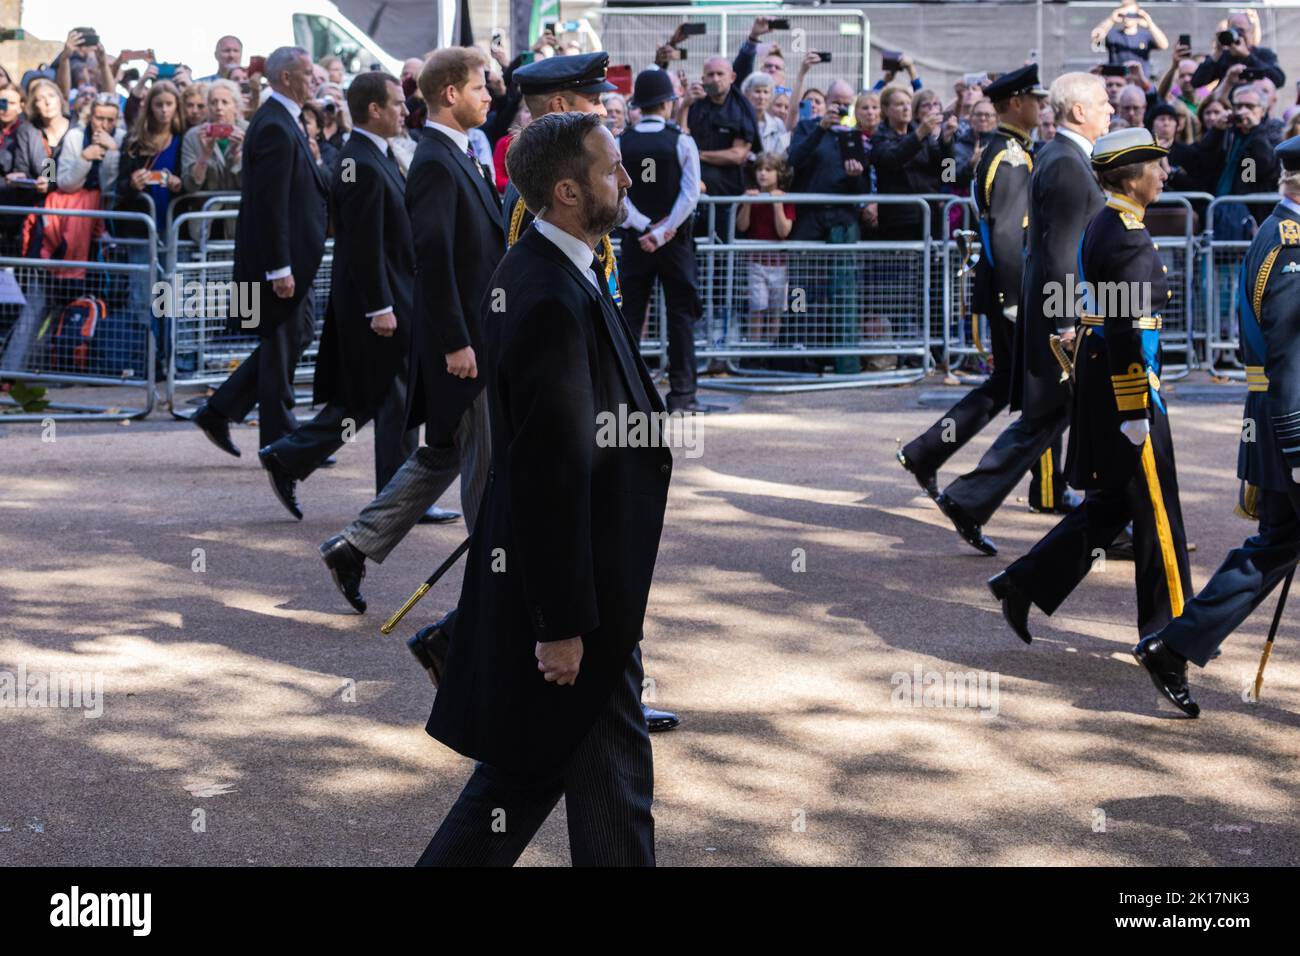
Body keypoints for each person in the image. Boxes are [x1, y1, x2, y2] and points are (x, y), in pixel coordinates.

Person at [417, 111, 670, 867]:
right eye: (610, 169)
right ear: (566, 191)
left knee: (542, 774)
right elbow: (548, 471)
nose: (626, 180)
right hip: (578, 594)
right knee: (595, 780)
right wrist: (562, 623)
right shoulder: (548, 291)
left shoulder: (566, 268)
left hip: (589, 585)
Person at [989, 127, 1191, 647]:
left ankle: (1025, 581)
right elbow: (1127, 328)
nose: (1164, 173)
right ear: (1132, 174)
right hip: (1128, 388)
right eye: (1156, 165)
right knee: (1157, 514)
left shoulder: (1113, 222)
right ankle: (1168, 636)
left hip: (1108, 382)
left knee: (1113, 506)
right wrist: (1135, 410)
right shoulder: (1125, 231)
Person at [318, 46, 501, 592]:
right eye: (480, 86)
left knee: (441, 455)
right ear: (450, 94)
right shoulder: (436, 161)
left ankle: (355, 546)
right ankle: (489, 600)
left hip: (471, 338)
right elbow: (435, 259)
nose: (489, 95)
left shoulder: (454, 153)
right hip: (463, 346)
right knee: (486, 475)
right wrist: (455, 343)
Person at [1131, 136, 1300, 716]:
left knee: (1275, 546)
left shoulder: (1280, 236)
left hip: (1277, 421)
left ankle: (1174, 645)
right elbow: (1287, 358)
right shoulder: (1288, 244)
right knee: (1274, 545)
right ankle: (1173, 645)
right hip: (1290, 421)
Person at [932, 73, 1111, 555]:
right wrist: (1068, 321)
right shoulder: (1067, 163)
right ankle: (1108, 517)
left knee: (1051, 415)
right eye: (1103, 104)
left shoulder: (1057, 155)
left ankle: (974, 498)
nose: (1110, 111)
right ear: (1078, 112)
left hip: (1053, 310)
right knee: (1057, 414)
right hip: (1060, 317)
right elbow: (1058, 252)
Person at [258, 72, 417, 516]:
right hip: (379, 303)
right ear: (374, 109)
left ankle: (291, 456)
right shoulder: (360, 161)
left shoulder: (374, 154)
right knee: (391, 396)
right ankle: (396, 497)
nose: (405, 111)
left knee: (376, 398)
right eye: (398, 103)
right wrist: (381, 307)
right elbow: (363, 245)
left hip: (389, 296)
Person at [899, 66, 1060, 506]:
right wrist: (1014, 302)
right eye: (1035, 99)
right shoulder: (1009, 156)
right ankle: (1036, 488)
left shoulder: (1013, 150)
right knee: (1041, 386)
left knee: (1010, 385)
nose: (1041, 106)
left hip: (1007, 288)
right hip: (1012, 291)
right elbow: (1007, 234)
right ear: (1015, 104)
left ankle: (927, 452)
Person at [190, 47, 329, 462]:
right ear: (286, 77)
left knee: (295, 336)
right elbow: (269, 204)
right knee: (283, 342)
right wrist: (279, 268)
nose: (315, 80)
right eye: (308, 73)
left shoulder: (283, 119)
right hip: (279, 265)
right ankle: (282, 443)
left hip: (293, 261)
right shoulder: (273, 124)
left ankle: (220, 410)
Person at [617, 67, 709, 414]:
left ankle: (627, 394)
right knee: (681, 315)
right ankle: (683, 394)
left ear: (639, 104)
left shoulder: (620, 141)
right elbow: (690, 196)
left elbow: (617, 195)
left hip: (636, 242)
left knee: (631, 316)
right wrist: (663, 230)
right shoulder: (682, 141)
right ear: (668, 104)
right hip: (674, 241)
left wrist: (644, 228)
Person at [180, 79, 247, 194]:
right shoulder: (193, 135)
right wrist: (204, 155)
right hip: (206, 208)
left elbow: (253, 182)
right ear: (207, 107)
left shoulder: (249, 131)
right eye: (213, 102)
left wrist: (237, 154)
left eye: (225, 102)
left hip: (241, 207)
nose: (218, 107)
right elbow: (190, 186)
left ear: (236, 107)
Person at [1190, 11, 1285, 90]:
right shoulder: (1224, 56)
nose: (1238, 35)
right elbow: (1196, 82)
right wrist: (1217, 53)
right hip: (1228, 108)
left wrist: (1248, 56)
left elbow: (1278, 80)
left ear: (1251, 31)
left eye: (1241, 30)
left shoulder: (1263, 54)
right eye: (1233, 30)